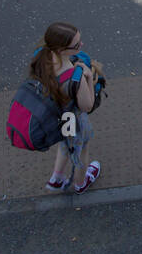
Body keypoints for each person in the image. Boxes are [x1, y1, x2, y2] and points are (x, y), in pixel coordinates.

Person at [28, 22, 103, 194]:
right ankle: (80, 182)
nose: (81, 45)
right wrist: (89, 77)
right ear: (62, 49)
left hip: (55, 117)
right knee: (81, 148)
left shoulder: (41, 57)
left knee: (65, 143)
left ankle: (56, 178)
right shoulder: (74, 77)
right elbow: (87, 105)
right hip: (73, 120)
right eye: (76, 45)